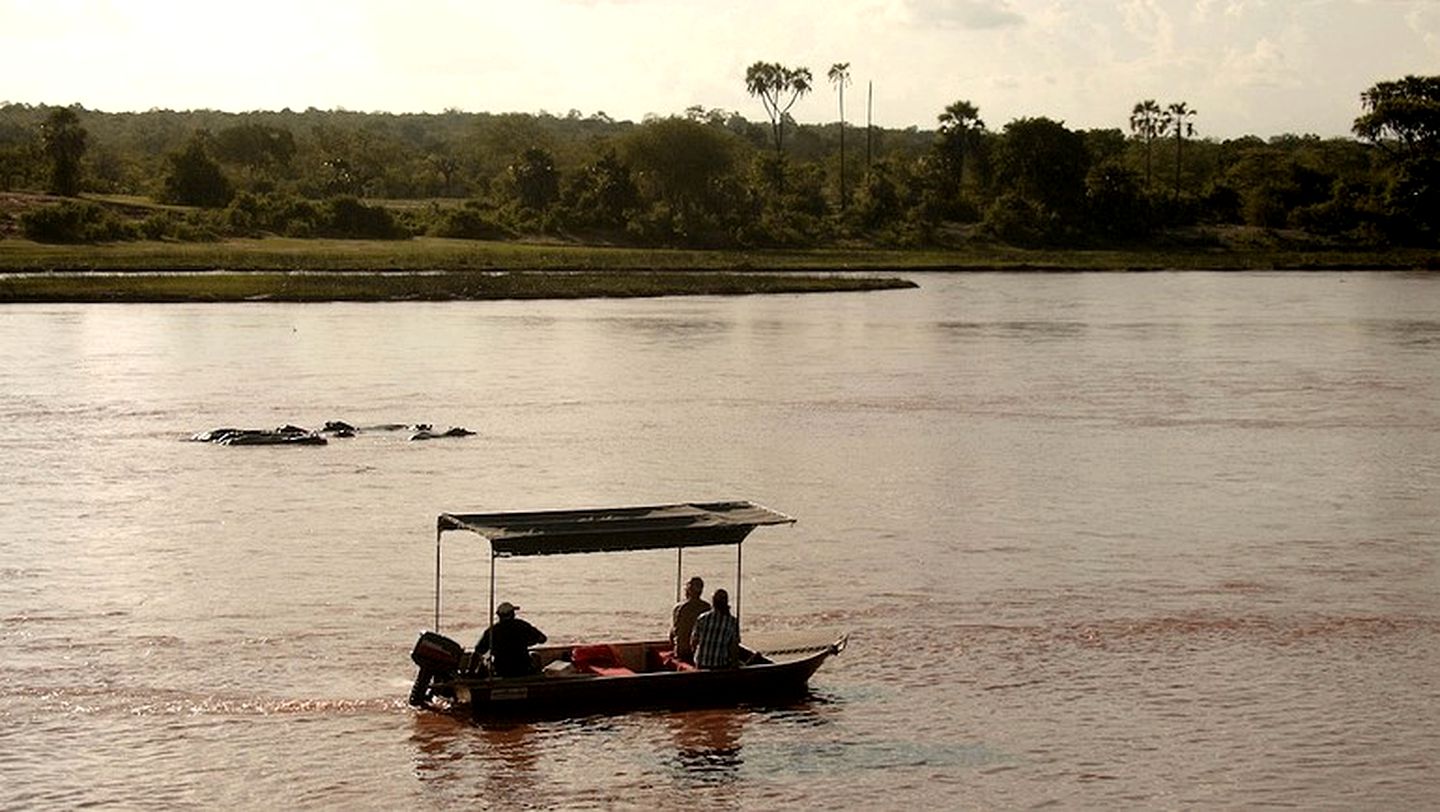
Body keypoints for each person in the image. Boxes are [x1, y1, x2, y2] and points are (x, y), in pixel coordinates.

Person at [475, 601, 547, 677]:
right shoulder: (522, 626)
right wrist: (528, 642)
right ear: (512, 614)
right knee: (536, 655)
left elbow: (479, 649)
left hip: (501, 669)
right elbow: (542, 639)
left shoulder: (492, 631)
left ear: (499, 616)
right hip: (523, 668)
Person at [690, 588, 740, 669]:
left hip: (701, 662)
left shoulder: (702, 618)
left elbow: (693, 642)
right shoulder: (732, 621)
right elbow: (733, 647)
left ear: (713, 603)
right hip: (720, 664)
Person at [669, 576, 710, 664]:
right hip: (701, 651)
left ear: (688, 590)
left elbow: (673, 633)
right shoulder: (707, 607)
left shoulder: (679, 607)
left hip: (683, 652)